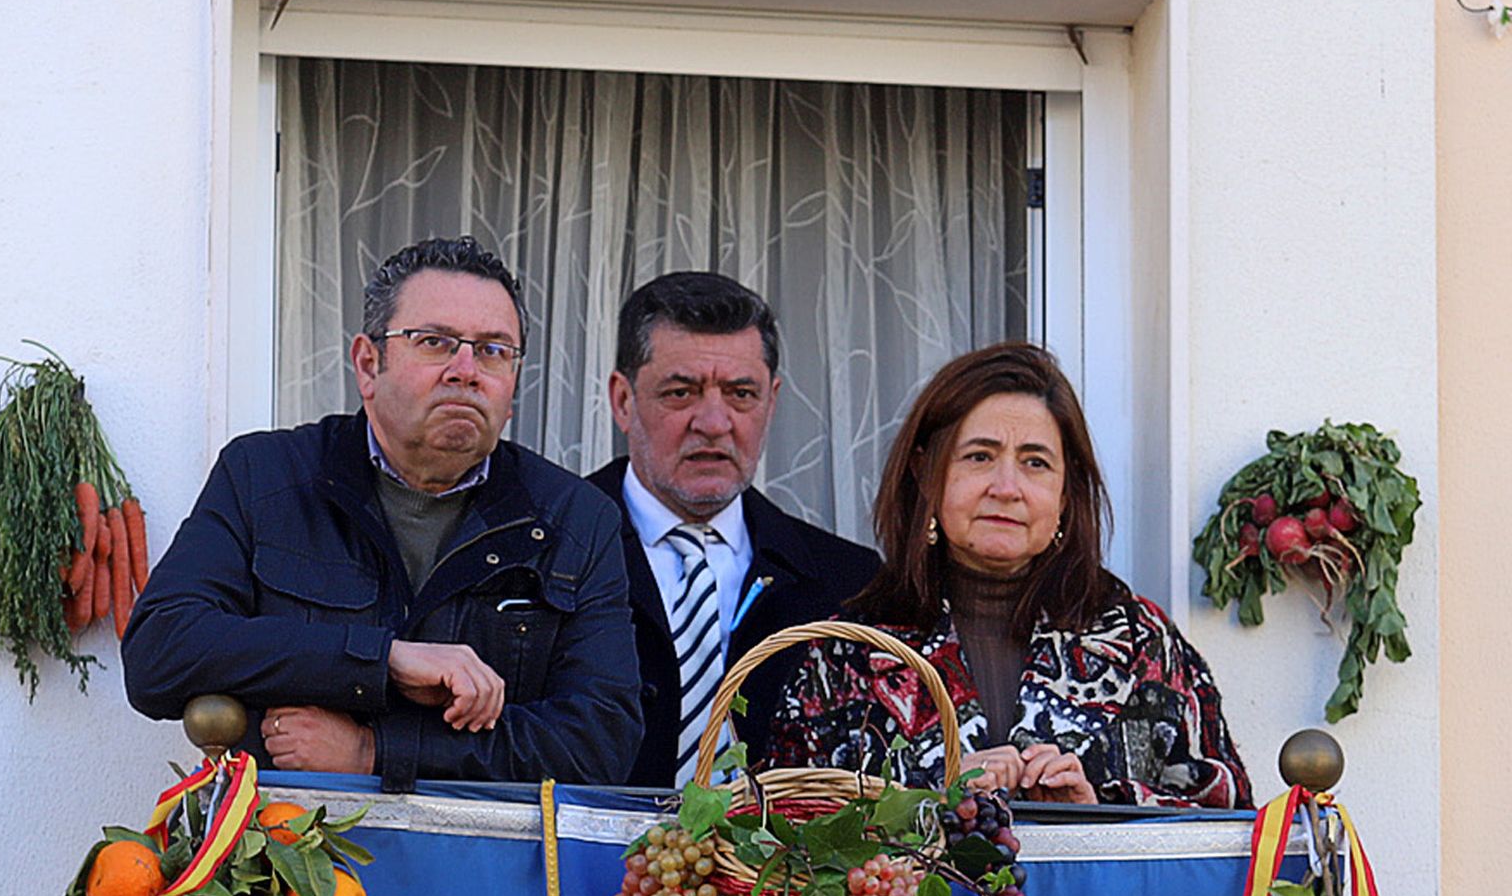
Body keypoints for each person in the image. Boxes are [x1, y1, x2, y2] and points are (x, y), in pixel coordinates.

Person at [123, 236, 642, 789]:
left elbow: (600, 741)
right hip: (282, 860)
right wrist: (381, 661)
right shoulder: (265, 477)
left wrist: (376, 750)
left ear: (512, 387)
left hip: (481, 867)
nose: (466, 370)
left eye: (494, 350)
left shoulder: (576, 518)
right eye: (436, 342)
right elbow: (161, 650)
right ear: (369, 365)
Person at [763, 343, 1251, 807]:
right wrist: (930, 801)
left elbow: (1225, 819)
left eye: (1035, 463)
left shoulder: (1140, 642)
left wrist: (1100, 807)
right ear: (925, 472)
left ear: (1065, 492)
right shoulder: (851, 651)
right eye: (979, 456)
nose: (1007, 487)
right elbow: (783, 830)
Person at [589, 271, 878, 788]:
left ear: (772, 399)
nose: (714, 422)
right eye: (681, 392)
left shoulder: (847, 582)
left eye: (741, 394)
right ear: (623, 401)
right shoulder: (547, 548)